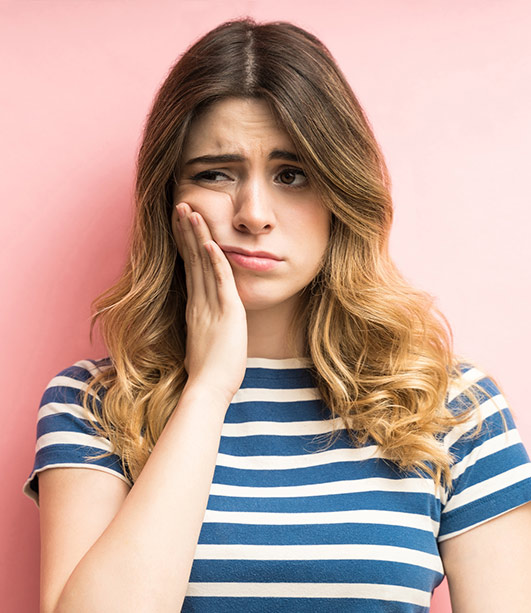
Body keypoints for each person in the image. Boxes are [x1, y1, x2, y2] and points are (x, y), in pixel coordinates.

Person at [24, 18, 531, 613]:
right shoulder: (92, 404)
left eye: (293, 175)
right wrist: (209, 389)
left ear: (342, 194)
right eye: (217, 172)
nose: (254, 214)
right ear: (168, 197)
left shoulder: (453, 408)